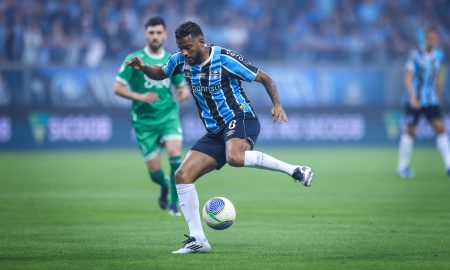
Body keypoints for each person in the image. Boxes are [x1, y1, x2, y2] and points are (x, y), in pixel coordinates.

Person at [127, 21, 314, 254]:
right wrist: (144, 67)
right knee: (182, 175)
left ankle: (296, 170)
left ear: (201, 42)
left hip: (241, 117)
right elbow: (161, 72)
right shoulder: (179, 61)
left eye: (188, 47)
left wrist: (277, 104)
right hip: (215, 131)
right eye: (180, 48)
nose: (184, 53)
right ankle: (198, 240)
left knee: (235, 157)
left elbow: (266, 78)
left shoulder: (224, 58)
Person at [114, 17, 189, 216]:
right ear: (146, 34)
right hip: (144, 122)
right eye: (151, 33)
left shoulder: (172, 59)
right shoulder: (134, 58)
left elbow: (182, 88)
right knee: (155, 174)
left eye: (158, 33)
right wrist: (141, 96)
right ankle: (164, 184)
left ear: (165, 35)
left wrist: (183, 94)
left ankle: (175, 205)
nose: (155, 36)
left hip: (168, 117)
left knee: (175, 156)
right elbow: (118, 88)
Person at [397, 27, 450, 177]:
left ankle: (449, 165)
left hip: (431, 99)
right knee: (410, 131)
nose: (433, 40)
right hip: (415, 100)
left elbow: (437, 78)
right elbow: (407, 77)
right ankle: (402, 167)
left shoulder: (439, 56)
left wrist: (439, 97)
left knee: (440, 128)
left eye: (436, 38)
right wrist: (412, 97)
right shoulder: (415, 55)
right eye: (431, 37)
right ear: (426, 39)